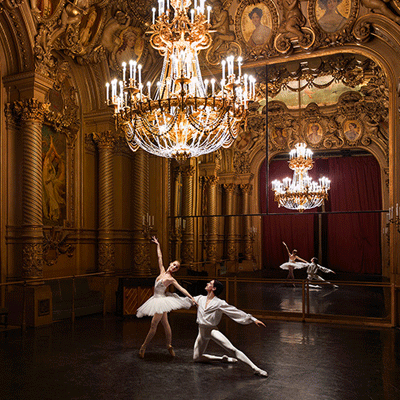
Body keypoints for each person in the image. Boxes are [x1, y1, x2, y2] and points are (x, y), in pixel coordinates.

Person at [137, 236, 198, 358]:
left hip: (160, 300)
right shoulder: (162, 271)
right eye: (174, 265)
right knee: (165, 323)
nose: (174, 267)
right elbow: (159, 257)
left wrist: (191, 297)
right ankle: (169, 345)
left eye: (176, 267)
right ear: (170, 264)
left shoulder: (171, 279)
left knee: (154, 325)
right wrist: (158, 244)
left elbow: (181, 288)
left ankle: (143, 347)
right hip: (156, 298)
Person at [192, 279, 268, 377]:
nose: (207, 284)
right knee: (196, 358)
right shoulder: (200, 299)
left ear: (214, 288)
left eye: (210, 283)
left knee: (232, 349)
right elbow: (185, 300)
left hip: (211, 331)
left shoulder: (219, 303)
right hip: (201, 332)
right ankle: (222, 359)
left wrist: (253, 319)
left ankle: (256, 368)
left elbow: (234, 311)